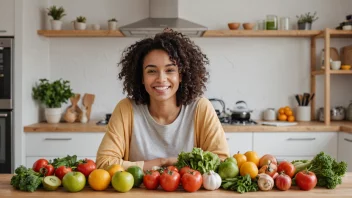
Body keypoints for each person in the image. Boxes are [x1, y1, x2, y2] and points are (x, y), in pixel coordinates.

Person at [96, 30, 229, 171]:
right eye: (152, 71)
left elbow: (222, 161)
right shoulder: (126, 109)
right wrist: (161, 162)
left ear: (181, 75)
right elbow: (104, 162)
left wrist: (167, 163)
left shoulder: (200, 108)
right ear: (141, 77)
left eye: (170, 70)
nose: (161, 79)